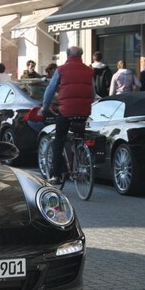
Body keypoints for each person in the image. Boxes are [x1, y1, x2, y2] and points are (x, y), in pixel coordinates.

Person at [42, 46, 94, 185]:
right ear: (81, 56)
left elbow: (50, 89)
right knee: (79, 136)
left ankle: (56, 175)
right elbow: (92, 93)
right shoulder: (89, 71)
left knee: (59, 140)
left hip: (66, 111)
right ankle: (80, 155)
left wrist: (45, 107)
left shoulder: (61, 70)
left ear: (67, 55)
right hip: (83, 112)